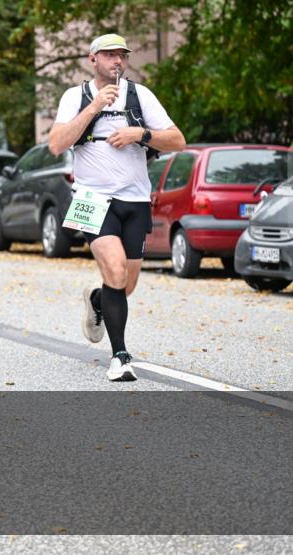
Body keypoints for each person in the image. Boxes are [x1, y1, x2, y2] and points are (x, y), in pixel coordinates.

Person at [48, 33, 185, 381]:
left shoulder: (140, 95)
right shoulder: (74, 97)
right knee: (114, 269)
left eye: (122, 55)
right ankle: (120, 357)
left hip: (135, 199)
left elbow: (178, 140)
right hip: (92, 198)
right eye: (110, 55)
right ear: (93, 59)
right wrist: (94, 107)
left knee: (126, 283)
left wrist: (140, 134)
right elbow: (56, 144)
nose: (117, 61)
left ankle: (97, 301)